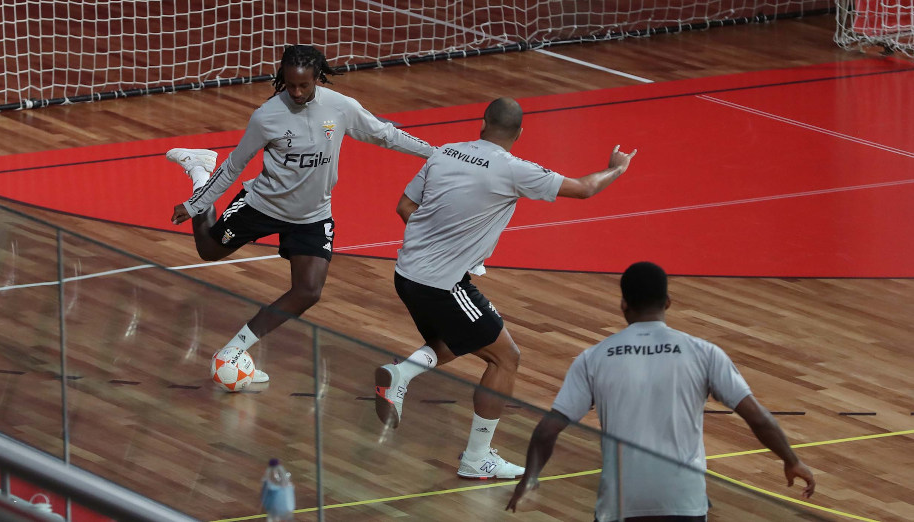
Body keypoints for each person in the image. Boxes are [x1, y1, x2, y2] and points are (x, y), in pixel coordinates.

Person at [373, 97, 637, 479]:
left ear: (483, 123)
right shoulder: (514, 169)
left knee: (458, 339)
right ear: (519, 133)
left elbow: (404, 207)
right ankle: (477, 458)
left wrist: (436, 240)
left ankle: (402, 376)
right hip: (443, 284)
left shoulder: (445, 152)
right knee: (505, 357)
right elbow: (583, 189)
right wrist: (617, 169)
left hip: (406, 274)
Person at [166, 45, 435, 381]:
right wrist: (196, 204)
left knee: (308, 291)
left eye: (304, 86)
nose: (296, 92)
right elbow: (235, 166)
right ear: (282, 78)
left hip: (312, 215)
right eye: (290, 85)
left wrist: (435, 155)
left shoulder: (340, 108)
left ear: (317, 79)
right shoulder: (267, 116)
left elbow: (386, 135)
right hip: (262, 205)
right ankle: (199, 170)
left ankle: (234, 351)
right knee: (207, 250)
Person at [506, 261, 816, 520]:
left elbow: (547, 430)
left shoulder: (594, 358)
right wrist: (790, 459)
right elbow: (758, 419)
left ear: (624, 304)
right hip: (683, 501)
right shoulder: (703, 353)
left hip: (621, 504)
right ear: (667, 302)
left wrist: (530, 477)